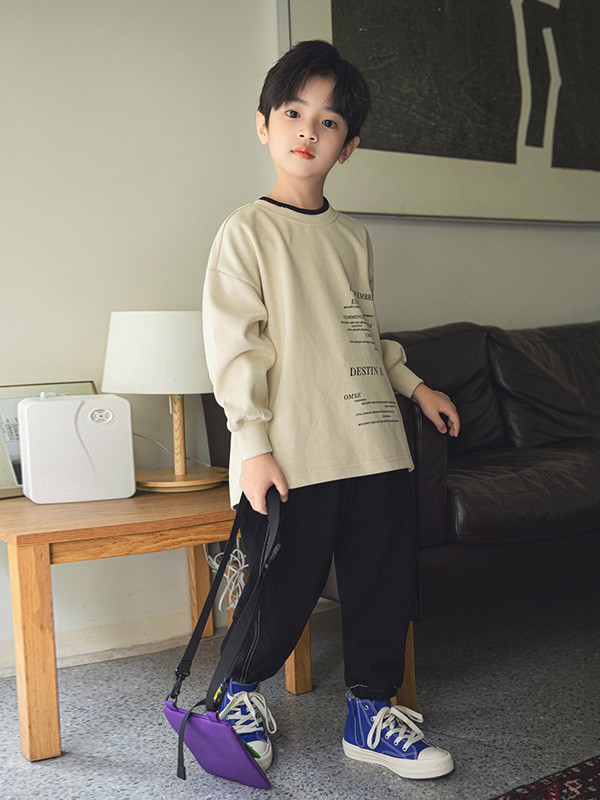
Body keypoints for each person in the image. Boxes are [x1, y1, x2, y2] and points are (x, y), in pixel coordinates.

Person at [202, 40, 460, 781]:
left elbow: (360, 331)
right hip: (292, 450)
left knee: (383, 584)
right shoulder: (247, 231)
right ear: (264, 124)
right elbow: (235, 347)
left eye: (329, 121)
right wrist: (253, 444)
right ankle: (237, 695)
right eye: (293, 113)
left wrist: (414, 385)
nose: (308, 131)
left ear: (348, 146)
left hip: (374, 442)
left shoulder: (352, 237)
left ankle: (370, 714)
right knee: (280, 590)